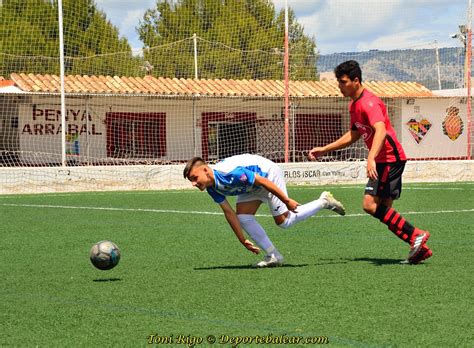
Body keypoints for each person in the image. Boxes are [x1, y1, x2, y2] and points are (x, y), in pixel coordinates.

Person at [308, 60, 432, 265]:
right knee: (384, 209)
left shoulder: (369, 102)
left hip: (389, 158)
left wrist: (371, 157)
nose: (340, 86)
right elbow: (354, 134)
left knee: (369, 204)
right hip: (386, 159)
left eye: (343, 82)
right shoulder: (354, 105)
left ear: (356, 81)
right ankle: (417, 245)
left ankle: (416, 234)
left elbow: (380, 129)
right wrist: (325, 149)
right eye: (339, 82)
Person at [183, 154, 345, 268]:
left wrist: (286, 201)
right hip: (251, 186)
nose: (193, 183)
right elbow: (229, 212)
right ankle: (273, 255)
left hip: (267, 174)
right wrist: (242, 239)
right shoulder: (212, 187)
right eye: (191, 180)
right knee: (244, 217)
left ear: (205, 170)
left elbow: (262, 180)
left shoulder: (230, 173)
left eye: (194, 178)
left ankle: (323, 201)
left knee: (284, 222)